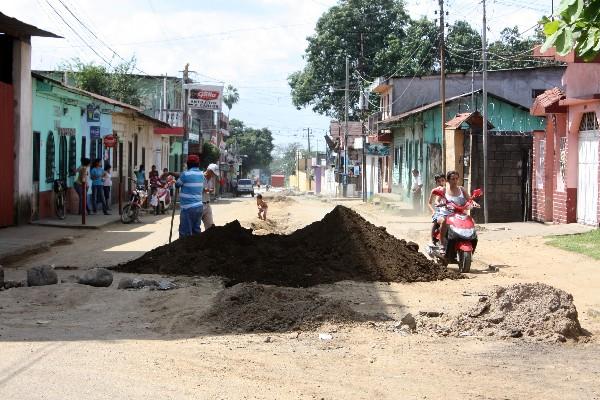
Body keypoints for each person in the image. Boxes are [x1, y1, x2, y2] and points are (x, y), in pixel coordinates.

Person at [439, 170, 479, 248]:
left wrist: (473, 203)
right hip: (446, 213)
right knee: (444, 221)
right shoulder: (444, 190)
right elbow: (437, 201)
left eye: (456, 179)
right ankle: (442, 242)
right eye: (453, 179)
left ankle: (470, 240)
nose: (455, 181)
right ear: (448, 180)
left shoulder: (462, 189)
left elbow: (469, 199)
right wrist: (439, 203)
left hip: (460, 213)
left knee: (472, 221)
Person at [175, 155, 204, 237]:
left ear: (188, 164)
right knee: (196, 232)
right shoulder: (201, 174)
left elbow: (177, 184)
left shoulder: (185, 174)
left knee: (185, 234)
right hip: (199, 206)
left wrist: (178, 178)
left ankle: (185, 250)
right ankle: (197, 249)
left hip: (188, 208)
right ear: (198, 164)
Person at [427, 173, 447, 243]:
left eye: (442, 180)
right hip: (439, 210)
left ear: (445, 181)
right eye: (439, 181)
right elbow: (429, 203)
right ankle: (432, 239)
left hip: (447, 209)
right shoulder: (434, 190)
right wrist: (433, 211)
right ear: (436, 182)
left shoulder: (448, 189)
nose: (441, 182)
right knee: (435, 222)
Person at [201, 163, 219, 230]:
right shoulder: (200, 177)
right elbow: (198, 189)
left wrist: (210, 190)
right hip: (199, 205)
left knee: (210, 227)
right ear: (209, 170)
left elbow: (211, 190)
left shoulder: (211, 179)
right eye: (212, 173)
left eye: (214, 174)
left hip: (207, 204)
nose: (213, 176)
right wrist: (206, 190)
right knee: (196, 228)